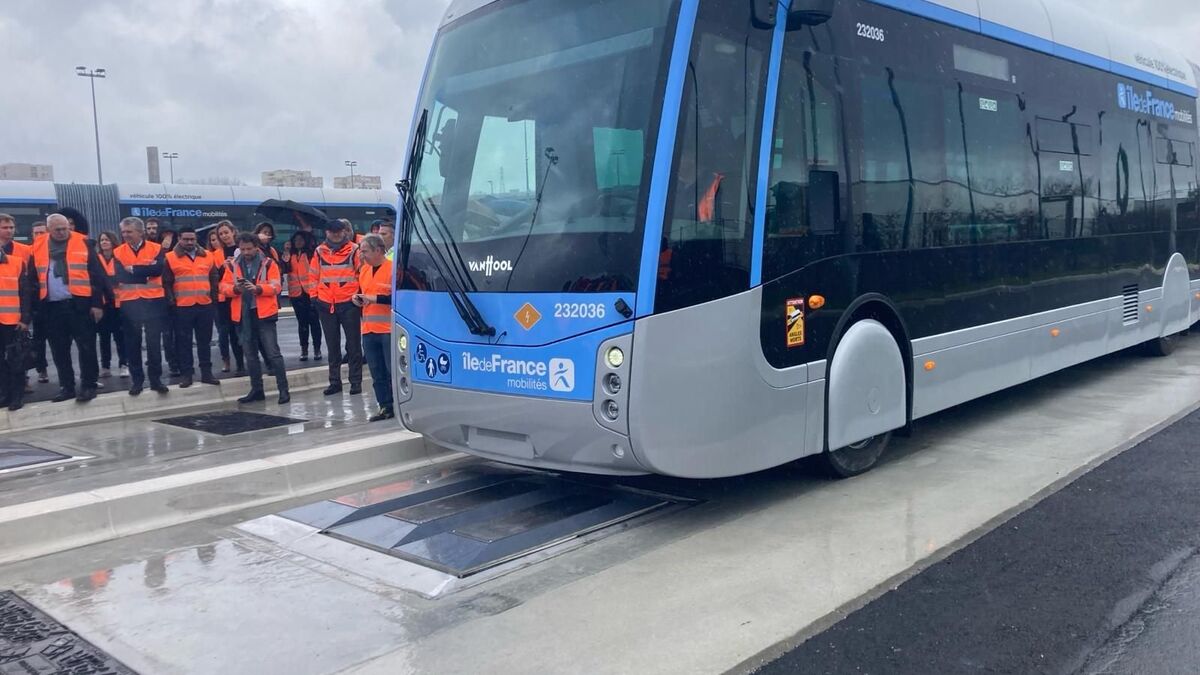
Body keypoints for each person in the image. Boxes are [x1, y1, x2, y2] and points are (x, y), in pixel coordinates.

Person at [32, 214, 108, 402]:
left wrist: (97, 304)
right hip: (52, 306)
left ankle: (89, 385)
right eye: (58, 229)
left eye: (65, 228)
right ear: (49, 230)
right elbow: (33, 277)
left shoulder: (83, 243)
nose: (63, 232)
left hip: (79, 305)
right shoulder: (38, 245)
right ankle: (67, 387)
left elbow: (97, 275)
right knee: (59, 350)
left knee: (87, 347)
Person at [219, 233, 289, 404]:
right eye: (242, 249)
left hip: (264, 313)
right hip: (243, 314)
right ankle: (257, 389)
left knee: (273, 353)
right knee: (250, 355)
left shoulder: (269, 263)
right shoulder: (234, 265)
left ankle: (283, 390)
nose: (246, 252)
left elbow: (276, 286)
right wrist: (236, 289)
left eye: (249, 249)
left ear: (256, 247)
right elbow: (223, 286)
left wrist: (258, 288)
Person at [112, 217, 169, 396]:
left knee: (153, 343)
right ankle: (137, 381)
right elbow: (121, 275)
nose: (125, 235)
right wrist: (144, 272)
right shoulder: (118, 251)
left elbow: (158, 270)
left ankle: (156, 380)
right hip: (130, 303)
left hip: (153, 301)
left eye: (129, 232)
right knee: (132, 344)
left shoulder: (156, 248)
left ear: (140, 232)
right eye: (123, 232)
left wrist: (134, 270)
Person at [310, 219, 363, 396]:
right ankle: (335, 382)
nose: (336, 235)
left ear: (345, 232)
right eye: (333, 232)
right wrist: (314, 298)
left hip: (349, 303)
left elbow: (361, 273)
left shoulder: (354, 250)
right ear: (327, 233)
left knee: (353, 346)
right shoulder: (319, 252)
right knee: (332, 347)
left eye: (339, 232)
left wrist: (357, 297)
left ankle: (355, 382)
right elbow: (313, 276)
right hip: (326, 304)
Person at [163, 227, 221, 388]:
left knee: (205, 341)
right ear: (179, 239)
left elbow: (214, 278)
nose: (189, 242)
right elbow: (166, 283)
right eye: (186, 239)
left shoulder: (208, 256)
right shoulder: (170, 257)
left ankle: (207, 374)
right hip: (182, 306)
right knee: (184, 343)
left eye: (192, 239)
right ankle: (187, 375)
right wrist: (171, 302)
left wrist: (213, 299)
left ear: (196, 239)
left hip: (204, 304)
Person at [354, 234, 394, 422]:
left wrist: (374, 299)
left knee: (391, 370)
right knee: (376, 372)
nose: (362, 255)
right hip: (368, 329)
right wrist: (358, 298)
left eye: (365, 251)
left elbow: (398, 298)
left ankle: (398, 404)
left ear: (378, 250)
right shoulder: (364, 270)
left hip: (387, 329)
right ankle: (384, 406)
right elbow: (364, 292)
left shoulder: (392, 269)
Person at [0, 215, 32, 410]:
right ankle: (4, 394)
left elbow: (25, 293)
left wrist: (25, 318)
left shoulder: (16, 262)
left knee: (15, 360)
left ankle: (16, 396)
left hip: (12, 321)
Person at [282, 230, 322, 362]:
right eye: (296, 240)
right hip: (296, 294)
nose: (298, 242)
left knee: (314, 322)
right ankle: (304, 349)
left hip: (310, 293)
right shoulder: (291, 255)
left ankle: (317, 349)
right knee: (302, 323)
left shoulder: (311, 254)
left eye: (301, 239)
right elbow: (285, 269)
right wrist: (286, 254)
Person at [211, 221, 244, 375]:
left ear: (233, 232)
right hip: (223, 297)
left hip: (239, 296)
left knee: (240, 331)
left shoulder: (241, 249)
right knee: (225, 332)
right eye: (221, 233)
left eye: (226, 232)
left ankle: (241, 362)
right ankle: (226, 360)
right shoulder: (216, 254)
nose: (224, 236)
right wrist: (221, 267)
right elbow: (212, 276)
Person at [95, 231, 127, 379]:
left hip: (119, 303)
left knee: (120, 336)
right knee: (104, 336)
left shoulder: (120, 257)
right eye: (102, 240)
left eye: (107, 239)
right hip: (103, 303)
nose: (104, 242)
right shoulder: (96, 258)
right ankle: (105, 366)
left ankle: (123, 364)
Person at [157, 228, 181, 376]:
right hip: (163, 300)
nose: (168, 238)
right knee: (167, 334)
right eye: (165, 235)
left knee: (181, 334)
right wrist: (163, 249)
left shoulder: (179, 255)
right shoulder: (159, 252)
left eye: (170, 236)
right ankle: (173, 364)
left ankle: (182, 362)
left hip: (181, 300)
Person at [27, 221, 48, 385]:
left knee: (61, 340)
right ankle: (42, 369)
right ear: (32, 235)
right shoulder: (28, 252)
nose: (40, 236)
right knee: (38, 339)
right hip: (36, 304)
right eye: (37, 233)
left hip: (53, 302)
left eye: (43, 232)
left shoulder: (53, 251)